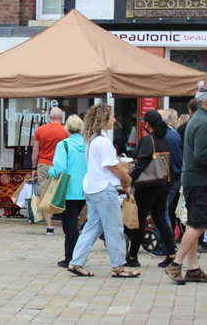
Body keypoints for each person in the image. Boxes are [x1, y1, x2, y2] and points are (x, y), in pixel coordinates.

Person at [67, 103, 139, 278]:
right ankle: (118, 265)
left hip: (92, 188)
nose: (114, 119)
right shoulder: (103, 141)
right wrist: (127, 178)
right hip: (103, 189)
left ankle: (76, 261)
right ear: (104, 119)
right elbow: (112, 166)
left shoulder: (91, 140)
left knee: (92, 227)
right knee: (114, 227)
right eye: (111, 116)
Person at [165, 86, 207, 284]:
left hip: (194, 179)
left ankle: (193, 269)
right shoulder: (205, 124)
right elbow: (202, 154)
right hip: (200, 180)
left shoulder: (197, 120)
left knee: (193, 223)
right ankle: (176, 263)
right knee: (199, 225)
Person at [126, 110, 177, 268]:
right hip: (163, 184)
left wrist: (129, 180)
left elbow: (141, 164)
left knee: (140, 220)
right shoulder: (164, 139)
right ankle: (171, 253)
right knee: (160, 218)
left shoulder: (149, 140)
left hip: (148, 186)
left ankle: (133, 257)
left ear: (148, 124)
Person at [48, 115, 87, 268]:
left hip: (68, 190)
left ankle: (71, 257)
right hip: (84, 190)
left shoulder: (63, 145)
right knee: (74, 223)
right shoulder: (87, 144)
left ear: (67, 128)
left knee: (69, 226)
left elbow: (60, 168)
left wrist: (51, 172)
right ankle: (74, 256)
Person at [32, 107, 69, 235]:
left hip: (43, 164)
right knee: (61, 193)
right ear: (61, 117)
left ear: (49, 117)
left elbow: (35, 150)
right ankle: (66, 223)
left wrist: (33, 167)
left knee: (45, 194)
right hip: (60, 166)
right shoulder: (66, 131)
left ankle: (49, 226)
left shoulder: (40, 130)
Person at [158, 108, 184, 250]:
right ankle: (168, 244)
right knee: (168, 211)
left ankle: (166, 245)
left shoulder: (167, 135)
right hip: (176, 176)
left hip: (171, 178)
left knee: (163, 211)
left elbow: (170, 159)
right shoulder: (173, 133)